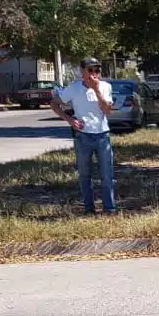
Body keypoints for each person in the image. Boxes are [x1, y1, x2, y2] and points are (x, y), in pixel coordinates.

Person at [53, 57, 117, 214]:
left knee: (107, 175)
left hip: (102, 135)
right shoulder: (74, 88)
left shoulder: (105, 86)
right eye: (90, 70)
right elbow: (54, 104)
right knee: (84, 175)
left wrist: (96, 90)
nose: (94, 74)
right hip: (83, 136)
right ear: (82, 72)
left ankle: (109, 209)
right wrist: (69, 120)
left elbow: (107, 110)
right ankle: (89, 209)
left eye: (97, 70)